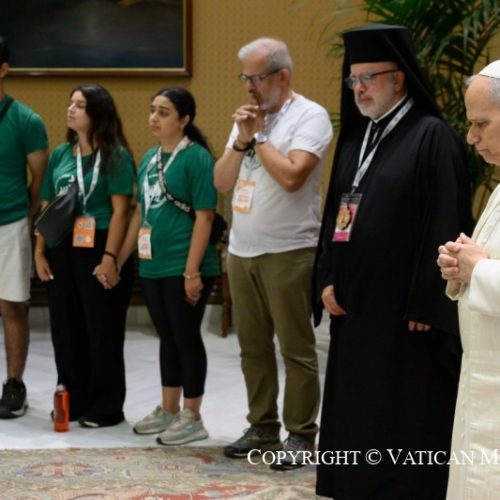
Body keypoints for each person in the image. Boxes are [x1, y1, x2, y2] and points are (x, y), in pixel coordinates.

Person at [314, 24, 473, 498]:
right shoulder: (357, 138)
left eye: (368, 78)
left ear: (399, 78)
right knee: (357, 405)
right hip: (354, 306)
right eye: (353, 79)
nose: (358, 88)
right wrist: (326, 277)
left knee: (401, 410)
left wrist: (429, 301)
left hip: (406, 315)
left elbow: (446, 220)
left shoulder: (432, 136)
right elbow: (335, 215)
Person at [214, 37, 333, 469]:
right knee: (252, 348)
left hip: (289, 250)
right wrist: (241, 141)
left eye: (257, 78)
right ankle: (262, 426)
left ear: (282, 76)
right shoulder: (247, 121)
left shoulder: (310, 116)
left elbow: (293, 177)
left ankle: (300, 434)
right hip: (242, 251)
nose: (249, 87)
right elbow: (222, 181)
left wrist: (259, 136)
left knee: (295, 349)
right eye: (244, 78)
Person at [117, 87, 219, 445]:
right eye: (152, 110)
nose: (154, 118)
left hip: (184, 264)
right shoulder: (149, 158)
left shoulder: (197, 158)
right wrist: (119, 259)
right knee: (167, 337)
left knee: (185, 337)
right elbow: (140, 214)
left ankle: (192, 415)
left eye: (164, 112)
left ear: (184, 119)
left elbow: (205, 216)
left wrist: (192, 271)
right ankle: (169, 408)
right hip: (153, 264)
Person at [34, 83, 135, 428]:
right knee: (65, 327)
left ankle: (106, 406)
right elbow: (47, 206)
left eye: (80, 105)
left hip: (100, 242)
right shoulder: (62, 154)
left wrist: (110, 257)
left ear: (97, 113)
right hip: (62, 244)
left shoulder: (116, 155)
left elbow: (121, 212)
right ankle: (72, 399)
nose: (71, 109)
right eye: (71, 103)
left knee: (101, 327)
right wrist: (39, 251)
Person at [437, 61, 500, 499]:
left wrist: (478, 268)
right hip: (482, 373)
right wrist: (461, 267)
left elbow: (486, 267)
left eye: (481, 123)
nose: (471, 137)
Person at [0, 35, 48, 419]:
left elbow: (39, 180)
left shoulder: (27, 121)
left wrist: (25, 214)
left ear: (3, 70)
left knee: (12, 306)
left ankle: (14, 384)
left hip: (9, 221)